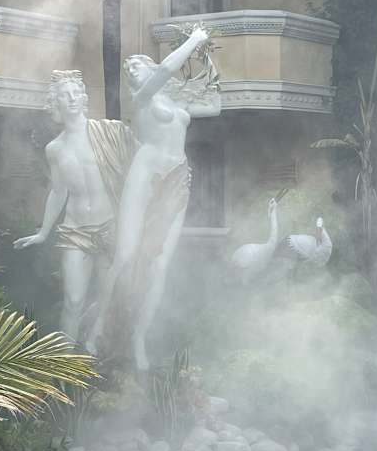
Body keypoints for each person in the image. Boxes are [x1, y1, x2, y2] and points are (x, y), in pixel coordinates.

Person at [87, 26, 221, 368]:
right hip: (146, 172)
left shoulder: (175, 102)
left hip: (178, 176)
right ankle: (98, 326)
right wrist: (195, 39)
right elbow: (166, 69)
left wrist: (206, 57)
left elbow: (214, 103)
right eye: (127, 68)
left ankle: (138, 337)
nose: (130, 70)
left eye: (136, 65)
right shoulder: (142, 97)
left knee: (160, 264)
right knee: (126, 254)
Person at [13, 70, 135, 342]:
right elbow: (58, 192)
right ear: (55, 102)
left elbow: (139, 163)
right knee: (73, 301)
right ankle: (65, 362)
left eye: (76, 93)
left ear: (83, 97)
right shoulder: (54, 149)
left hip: (110, 228)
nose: (71, 98)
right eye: (64, 95)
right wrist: (43, 232)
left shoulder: (110, 131)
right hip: (75, 231)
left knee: (110, 299)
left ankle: (99, 354)